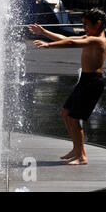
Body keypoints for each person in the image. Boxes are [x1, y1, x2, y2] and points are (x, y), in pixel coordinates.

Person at [28, 8, 106, 165]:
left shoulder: (98, 40)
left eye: (86, 25)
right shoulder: (91, 36)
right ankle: (76, 149)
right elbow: (66, 37)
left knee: (73, 117)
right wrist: (44, 32)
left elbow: (71, 43)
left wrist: (49, 46)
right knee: (66, 112)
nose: (84, 28)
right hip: (85, 80)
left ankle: (82, 156)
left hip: (93, 82)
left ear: (98, 24)